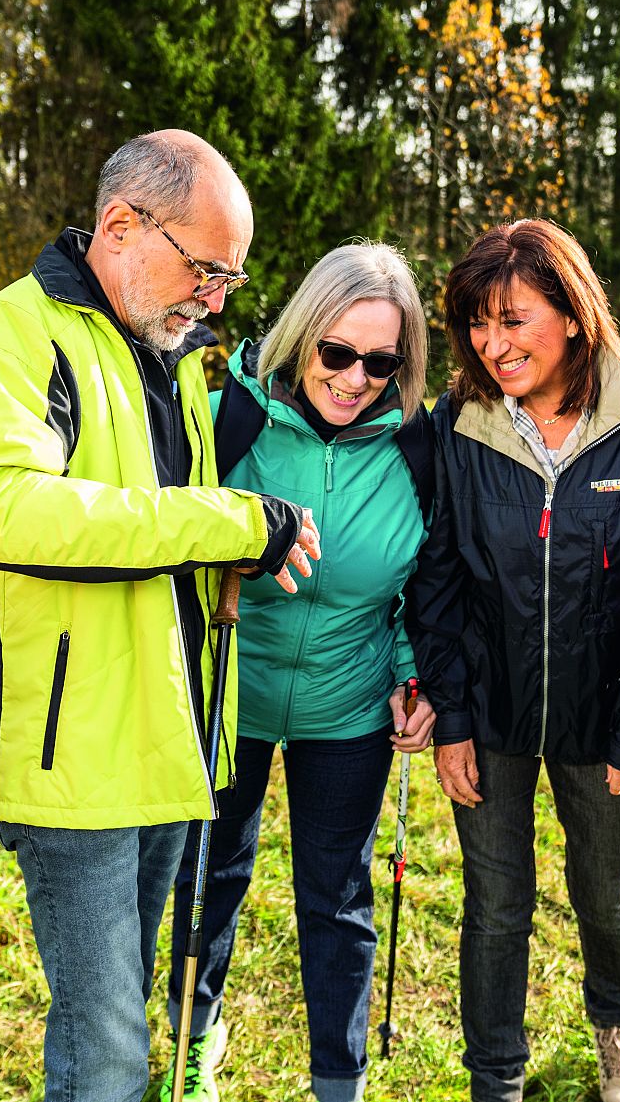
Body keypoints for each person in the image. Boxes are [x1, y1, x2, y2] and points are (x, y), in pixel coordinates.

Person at [0, 130, 322, 1102]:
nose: (218, 297)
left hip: (165, 741)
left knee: (125, 1020)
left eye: (230, 278)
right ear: (121, 225)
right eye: (206, 269)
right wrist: (225, 524)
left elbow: (151, 529)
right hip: (73, 757)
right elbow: (2, 509)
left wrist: (228, 566)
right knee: (106, 1047)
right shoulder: (17, 332)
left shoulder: (169, 351)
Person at [406, 221, 620, 1102]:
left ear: (575, 317)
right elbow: (439, 579)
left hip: (610, 718)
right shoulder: (458, 426)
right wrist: (453, 716)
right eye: (475, 322)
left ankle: (617, 1034)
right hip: (491, 714)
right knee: (495, 902)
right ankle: (495, 1075)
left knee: (608, 901)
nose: (491, 344)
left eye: (513, 319)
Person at [160, 242, 439, 1102]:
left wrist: (412, 674)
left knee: (336, 899)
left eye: (381, 361)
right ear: (303, 334)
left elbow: (421, 584)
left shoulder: (418, 448)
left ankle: (338, 1082)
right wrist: (224, 560)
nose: (356, 377)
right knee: (207, 879)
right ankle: (192, 1043)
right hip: (228, 693)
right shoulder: (226, 415)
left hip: (348, 705)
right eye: (338, 352)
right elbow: (166, 536)